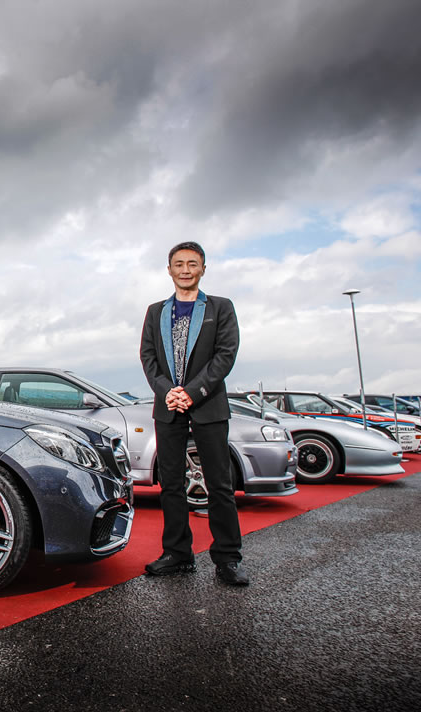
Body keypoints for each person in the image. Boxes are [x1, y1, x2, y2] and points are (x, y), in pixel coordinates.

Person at [139, 241, 249, 586]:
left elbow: (225, 355)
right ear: (169, 270)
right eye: (179, 264)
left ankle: (228, 558)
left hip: (208, 405)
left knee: (219, 484)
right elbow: (148, 357)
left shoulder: (221, 307)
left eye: (192, 264)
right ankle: (177, 554)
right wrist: (166, 391)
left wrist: (192, 392)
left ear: (203, 268)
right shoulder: (155, 311)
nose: (185, 270)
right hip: (168, 406)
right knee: (171, 484)